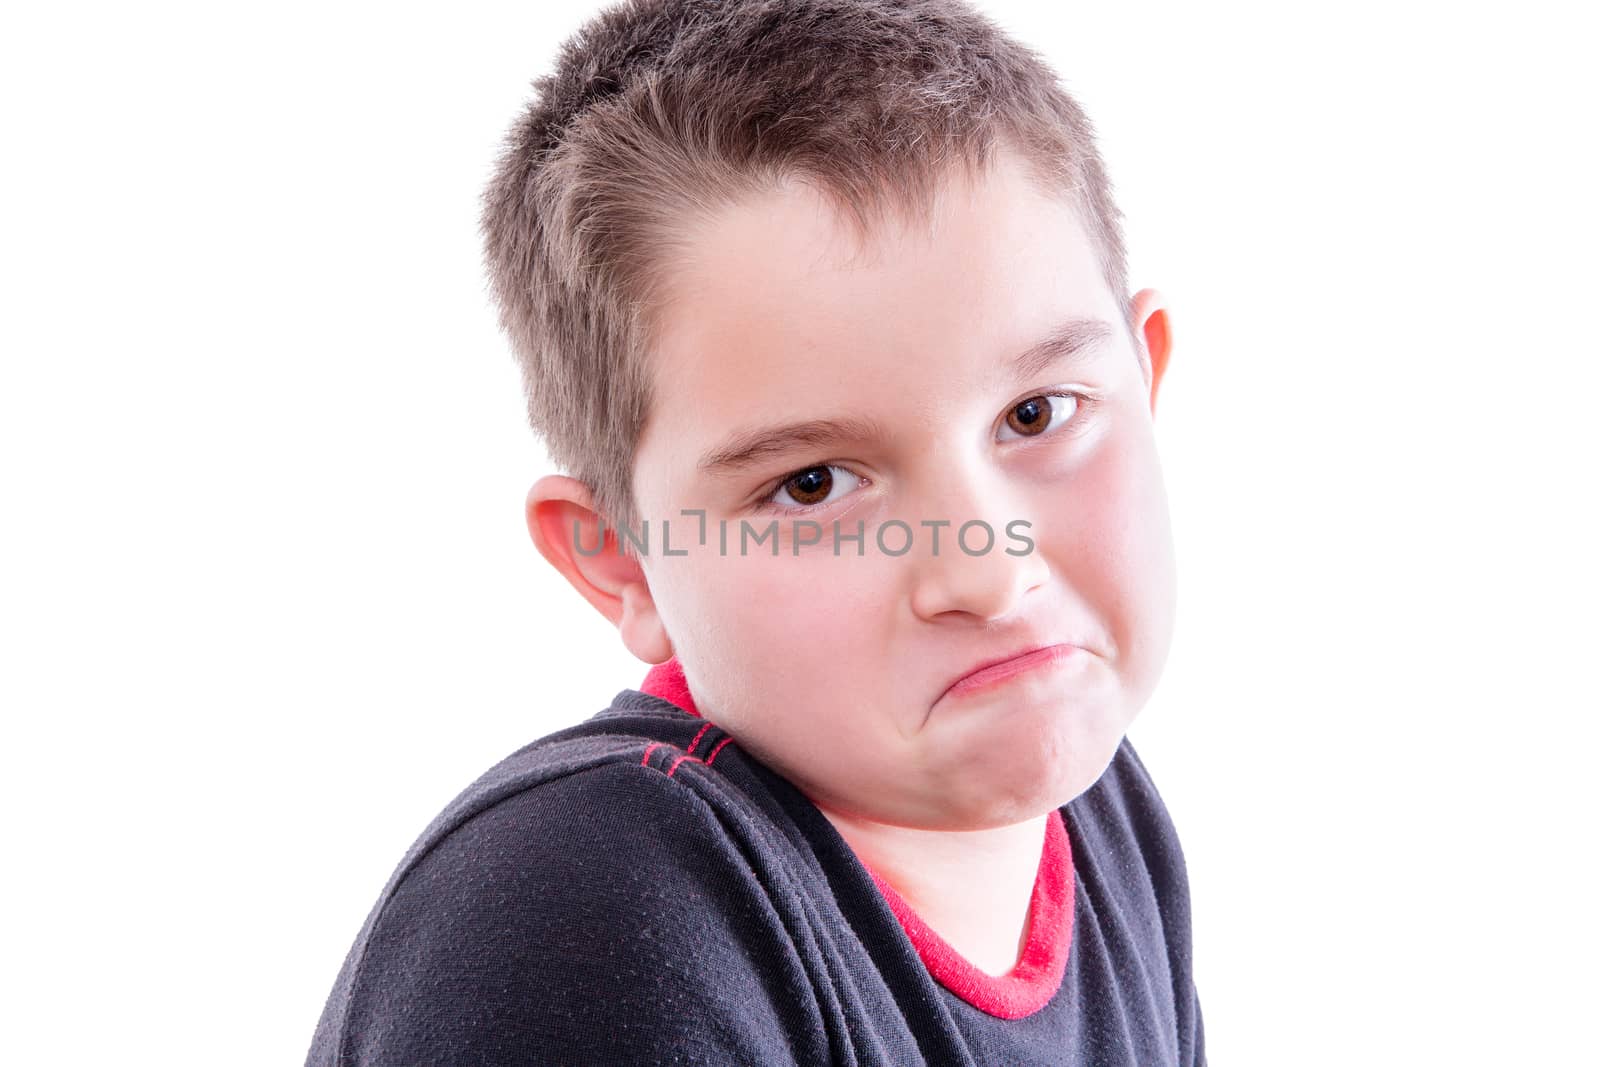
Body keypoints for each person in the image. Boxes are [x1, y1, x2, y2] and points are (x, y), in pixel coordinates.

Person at [306, 0, 1204, 1062]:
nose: (990, 573)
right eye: (815, 483)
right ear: (620, 558)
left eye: (1037, 413)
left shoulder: (1098, 808)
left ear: (1143, 380)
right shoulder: (592, 911)